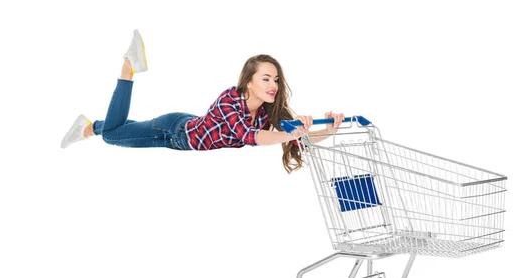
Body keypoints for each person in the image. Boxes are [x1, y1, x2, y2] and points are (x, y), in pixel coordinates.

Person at [61, 30, 344, 173]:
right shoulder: (230, 99)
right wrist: (291, 131)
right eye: (266, 78)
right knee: (113, 136)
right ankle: (128, 67)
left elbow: (299, 141)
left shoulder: (268, 112)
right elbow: (251, 137)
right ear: (249, 82)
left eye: (276, 79)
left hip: (182, 135)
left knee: (116, 129)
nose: (273, 85)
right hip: (172, 131)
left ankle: (88, 128)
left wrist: (330, 128)